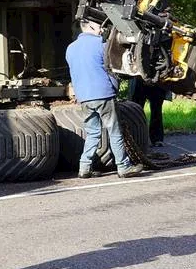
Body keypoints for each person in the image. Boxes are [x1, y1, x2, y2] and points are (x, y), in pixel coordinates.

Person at [65, 17, 144, 178]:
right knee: (114, 131)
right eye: (99, 27)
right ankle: (123, 167)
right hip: (103, 94)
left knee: (93, 132)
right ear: (93, 27)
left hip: (84, 97)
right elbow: (112, 70)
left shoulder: (70, 49)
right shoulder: (102, 46)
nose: (102, 30)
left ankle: (84, 168)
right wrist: (114, 88)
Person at [129, 76, 167, 147]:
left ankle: (156, 138)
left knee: (157, 110)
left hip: (157, 80)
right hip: (140, 78)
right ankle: (134, 138)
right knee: (136, 110)